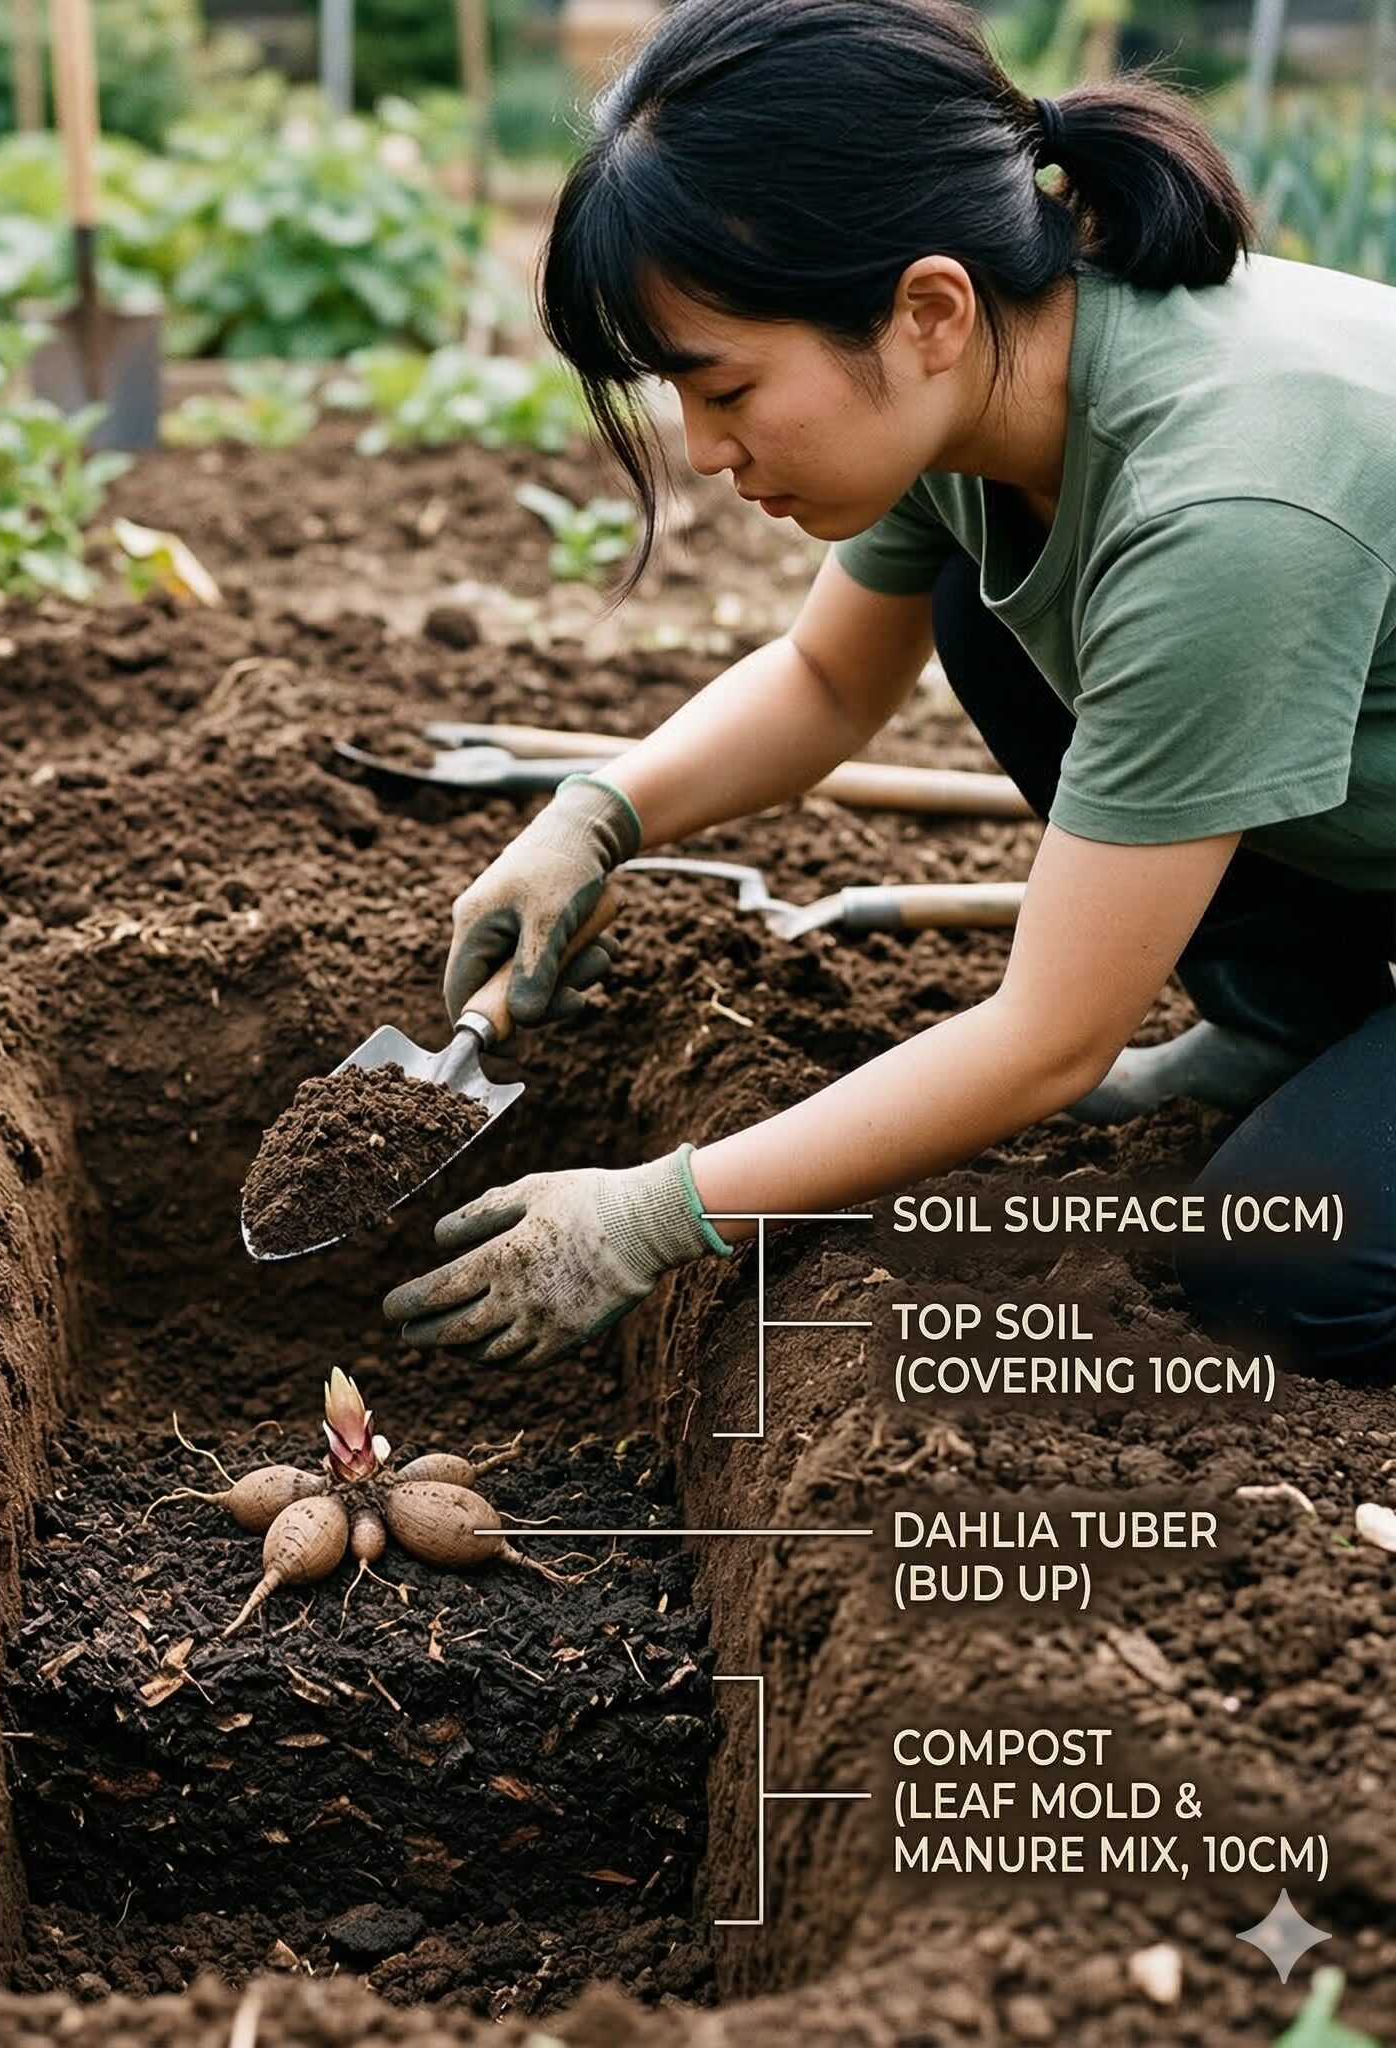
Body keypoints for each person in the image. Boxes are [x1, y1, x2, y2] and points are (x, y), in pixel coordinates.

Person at [381, 0, 1396, 1375]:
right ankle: (1303, 1028)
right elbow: (823, 681)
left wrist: (658, 1213)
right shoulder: (1000, 382)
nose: (705, 449)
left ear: (926, 308)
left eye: (725, 386)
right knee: (985, 611)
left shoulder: (1218, 507)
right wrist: (595, 816)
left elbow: (1048, 1040)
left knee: (1287, 1268)